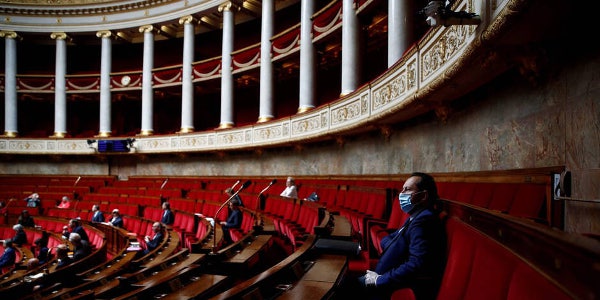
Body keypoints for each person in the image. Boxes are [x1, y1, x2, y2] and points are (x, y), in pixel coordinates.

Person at [353, 172, 447, 300]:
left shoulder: (424, 220)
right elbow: (393, 239)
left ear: (423, 196)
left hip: (388, 287)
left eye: (407, 190)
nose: (401, 194)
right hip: (382, 278)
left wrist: (378, 280)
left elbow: (416, 264)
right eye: (402, 189)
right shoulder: (415, 216)